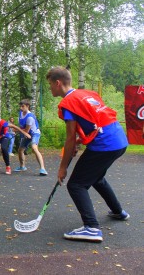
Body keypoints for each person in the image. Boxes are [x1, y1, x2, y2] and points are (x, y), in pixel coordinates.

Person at [46, 67, 129, 242]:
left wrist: (62, 168)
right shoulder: (86, 94)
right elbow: (93, 120)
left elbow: (69, 138)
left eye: (50, 85)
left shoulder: (68, 103)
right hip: (119, 139)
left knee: (76, 185)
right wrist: (78, 141)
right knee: (96, 178)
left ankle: (91, 228)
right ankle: (118, 211)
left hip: (105, 144)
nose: (50, 88)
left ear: (57, 83)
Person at [0, 110, 31, 175]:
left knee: (4, 148)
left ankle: (8, 167)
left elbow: (14, 126)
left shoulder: (1, 122)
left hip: (4, 137)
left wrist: (25, 133)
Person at [14, 99, 48, 176]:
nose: (21, 108)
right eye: (20, 106)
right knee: (20, 150)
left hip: (34, 133)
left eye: (23, 106)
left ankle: (43, 169)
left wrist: (16, 130)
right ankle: (22, 167)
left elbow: (26, 130)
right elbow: (22, 127)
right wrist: (18, 130)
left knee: (34, 148)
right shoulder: (20, 114)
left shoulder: (30, 117)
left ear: (27, 106)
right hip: (26, 133)